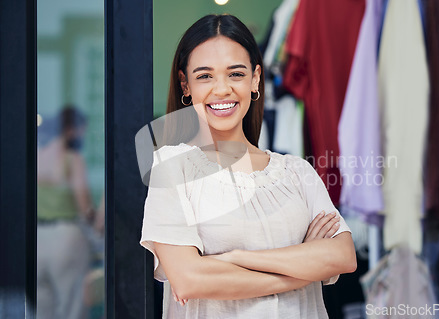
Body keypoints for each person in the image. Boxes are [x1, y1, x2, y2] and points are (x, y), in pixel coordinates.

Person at [139, 14, 356, 319]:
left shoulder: (297, 172)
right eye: (205, 76)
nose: (222, 89)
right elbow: (190, 280)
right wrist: (303, 267)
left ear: (255, 79)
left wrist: (234, 258)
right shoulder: (173, 168)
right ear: (185, 85)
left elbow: (343, 256)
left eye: (235, 74)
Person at [37, 106, 94, 319]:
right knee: (71, 306)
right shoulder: (72, 159)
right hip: (66, 236)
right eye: (82, 130)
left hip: (37, 237)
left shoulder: (38, 155)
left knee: (41, 306)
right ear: (71, 129)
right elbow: (83, 205)